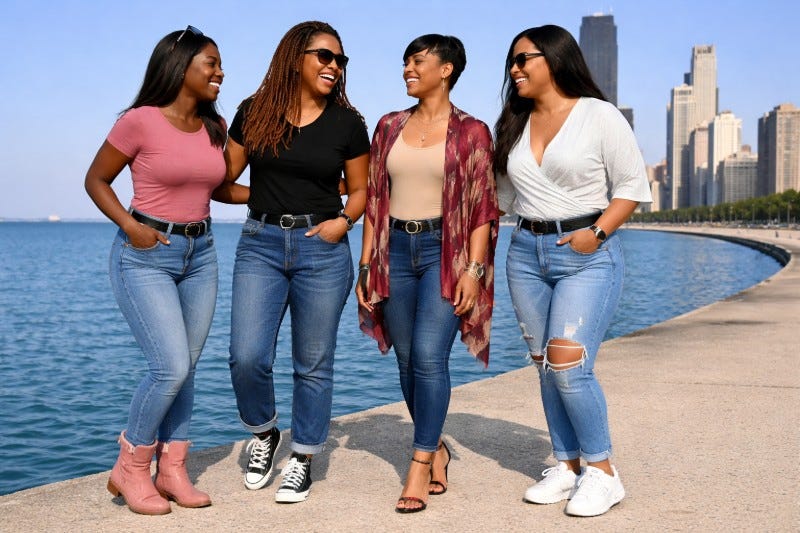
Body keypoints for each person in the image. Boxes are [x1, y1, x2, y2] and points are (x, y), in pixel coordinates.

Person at [494, 25, 652, 517]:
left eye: (525, 59)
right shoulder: (514, 123)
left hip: (586, 252)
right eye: (512, 62)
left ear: (555, 59)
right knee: (544, 363)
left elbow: (631, 186)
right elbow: (500, 199)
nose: (515, 69)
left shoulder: (598, 115)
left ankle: (602, 472)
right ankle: (566, 465)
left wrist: (597, 234)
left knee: (568, 363)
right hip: (524, 251)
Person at [220, 21, 369, 504]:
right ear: (295, 57)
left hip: (322, 247)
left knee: (313, 363)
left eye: (340, 60)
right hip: (260, 242)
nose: (334, 66)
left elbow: (362, 188)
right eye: (325, 56)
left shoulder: (348, 123)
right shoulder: (253, 112)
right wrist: (263, 196)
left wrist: (342, 221)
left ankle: (303, 457)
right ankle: (264, 432)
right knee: (247, 356)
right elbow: (223, 182)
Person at [84, 26, 227, 515]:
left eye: (219, 64)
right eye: (211, 63)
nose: (219, 72)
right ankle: (131, 466)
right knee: (169, 366)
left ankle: (172, 469)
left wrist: (306, 195)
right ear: (180, 65)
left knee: (186, 369)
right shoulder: (140, 121)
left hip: (201, 254)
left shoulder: (215, 127)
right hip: (144, 251)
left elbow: (221, 188)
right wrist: (130, 225)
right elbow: (96, 179)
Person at [356, 34, 498, 514]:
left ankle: (419, 462)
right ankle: (436, 446)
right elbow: (375, 199)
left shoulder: (473, 131)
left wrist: (474, 271)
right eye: (405, 62)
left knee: (428, 356)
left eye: (418, 61)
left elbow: (482, 207)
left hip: (446, 249)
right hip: (395, 247)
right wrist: (366, 263)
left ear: (447, 69)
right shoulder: (389, 126)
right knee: (403, 358)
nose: (407, 70)